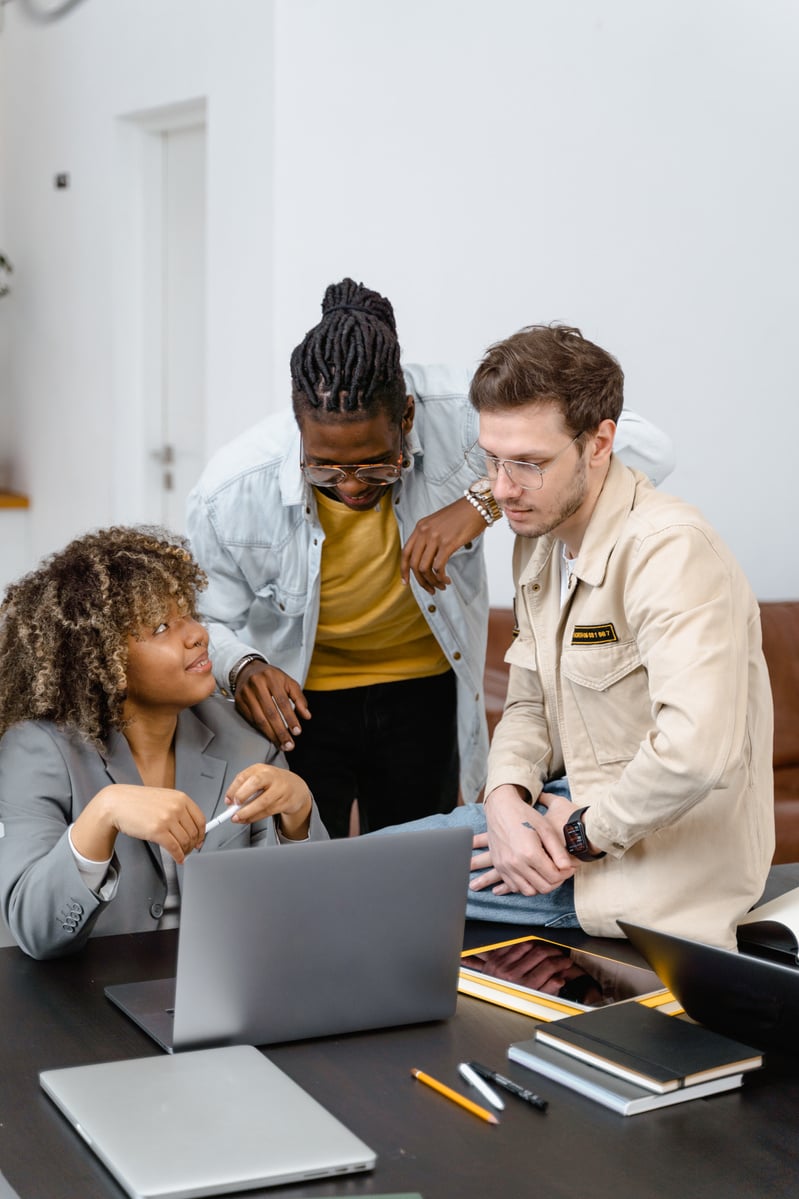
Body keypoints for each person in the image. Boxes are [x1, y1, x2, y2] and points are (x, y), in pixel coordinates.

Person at [186, 279, 675, 837]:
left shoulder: (464, 414)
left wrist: (482, 501)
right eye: (323, 469)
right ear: (298, 433)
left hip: (424, 693)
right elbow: (202, 617)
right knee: (300, 869)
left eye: (376, 466)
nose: (350, 488)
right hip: (302, 705)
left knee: (414, 872)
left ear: (408, 419)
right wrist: (242, 664)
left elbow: (649, 449)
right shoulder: (231, 490)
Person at [380, 322, 774, 950]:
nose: (500, 489)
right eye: (491, 459)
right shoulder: (540, 542)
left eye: (529, 464)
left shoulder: (670, 551)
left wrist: (580, 833)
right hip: (559, 822)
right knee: (345, 875)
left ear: (599, 443)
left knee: (357, 882)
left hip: (643, 865)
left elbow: (697, 749)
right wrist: (507, 800)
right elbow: (530, 701)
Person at [0, 526, 327, 960]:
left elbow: (306, 915)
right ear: (103, 661)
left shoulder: (244, 737)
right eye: (160, 627)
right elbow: (37, 931)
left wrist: (298, 818)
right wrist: (102, 815)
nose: (197, 635)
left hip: (220, 989)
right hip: (80, 1006)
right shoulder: (36, 751)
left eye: (189, 614)